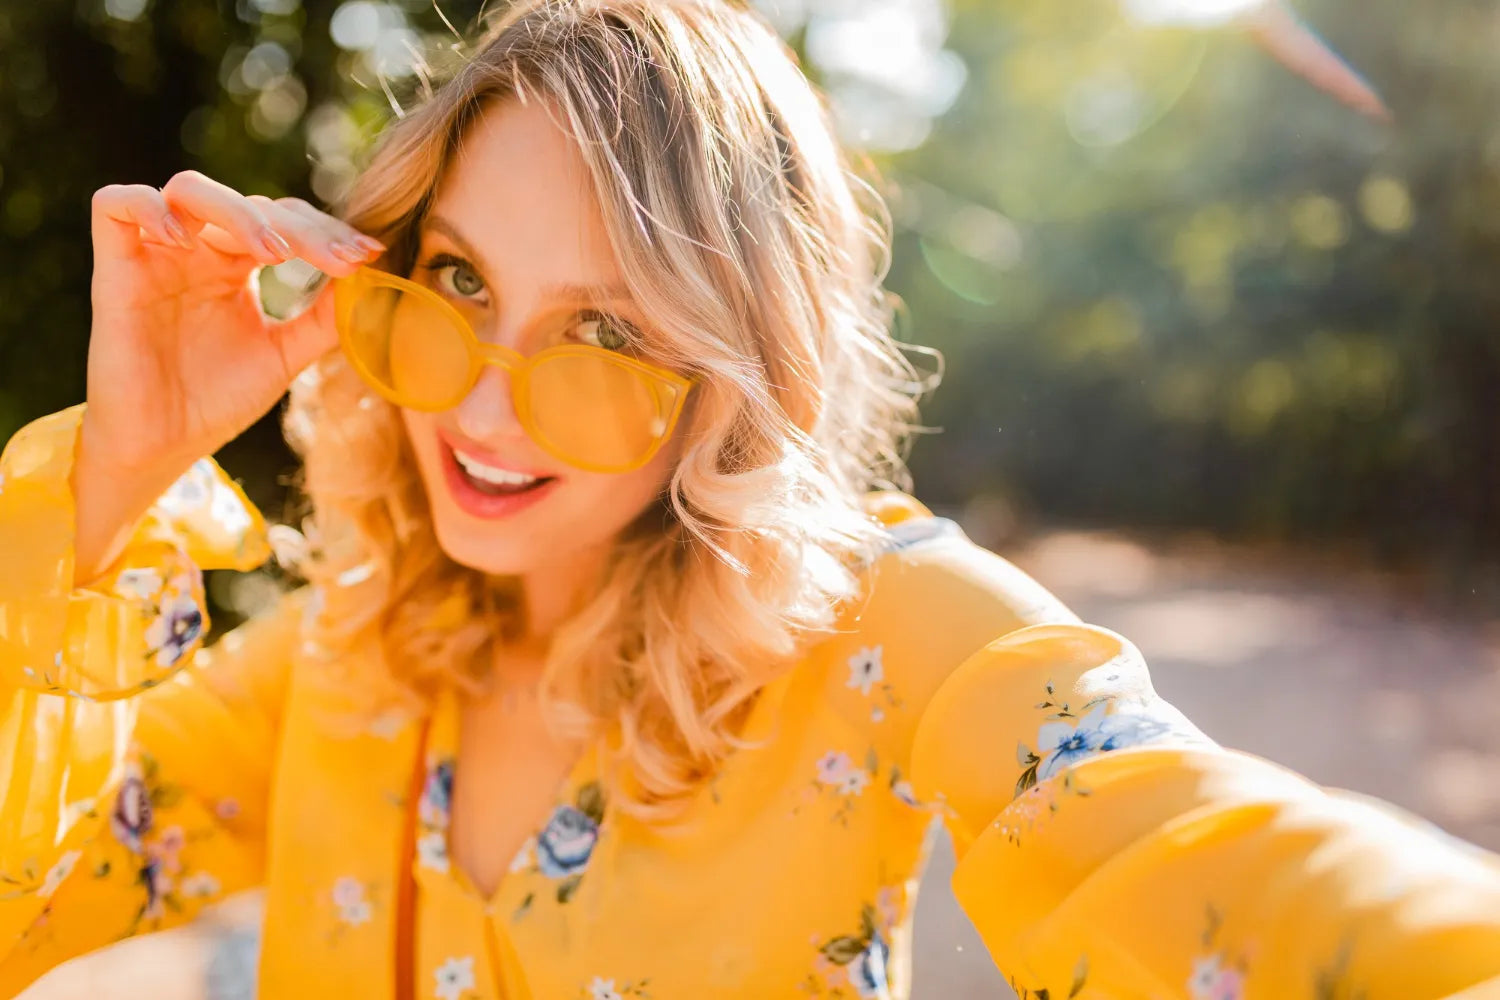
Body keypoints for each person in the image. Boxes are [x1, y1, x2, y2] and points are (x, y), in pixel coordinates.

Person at [1, 1, 1497, 998]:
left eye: (605, 332)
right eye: (458, 281)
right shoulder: (338, 661)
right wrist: (124, 465)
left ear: (734, 373)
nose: (484, 401)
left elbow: (1205, 851)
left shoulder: (885, 629)